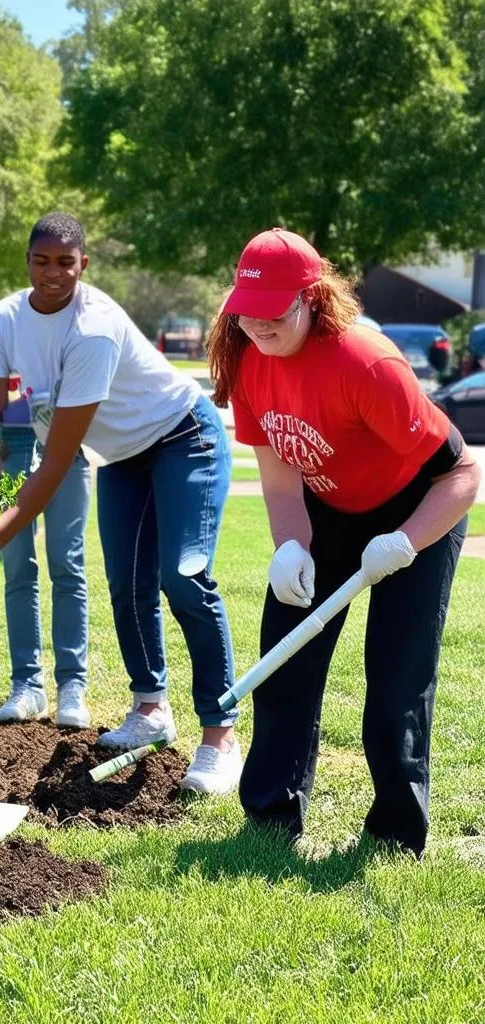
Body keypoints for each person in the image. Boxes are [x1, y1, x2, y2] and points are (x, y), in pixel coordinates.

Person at [0, 211, 243, 795]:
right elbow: (0, 416)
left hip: (184, 436)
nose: (53, 273)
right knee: (127, 584)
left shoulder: (93, 329)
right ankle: (151, 709)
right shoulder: (12, 319)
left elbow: (55, 465)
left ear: (84, 264)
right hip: (125, 456)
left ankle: (219, 735)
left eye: (66, 262)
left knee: (184, 576)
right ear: (27, 261)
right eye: (41, 261)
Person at [208, 227, 481, 855]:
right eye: (247, 313)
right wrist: (290, 546)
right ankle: (272, 817)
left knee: (396, 677)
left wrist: (404, 543)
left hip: (419, 508)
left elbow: (463, 474)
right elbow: (279, 474)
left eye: (274, 313)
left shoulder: (366, 362)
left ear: (312, 297)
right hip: (326, 509)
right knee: (286, 658)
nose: (259, 326)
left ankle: (394, 831)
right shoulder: (249, 358)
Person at [0, 370, 91, 728]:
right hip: (12, 448)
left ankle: (72, 686)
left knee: (66, 564)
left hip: (67, 444)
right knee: (18, 569)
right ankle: (27, 684)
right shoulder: (5, 326)